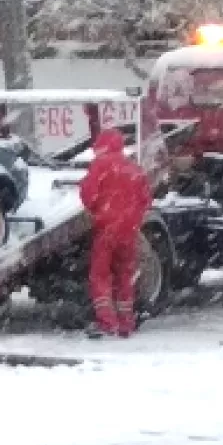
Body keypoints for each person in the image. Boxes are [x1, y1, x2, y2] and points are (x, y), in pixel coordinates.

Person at [78, 128, 154, 338]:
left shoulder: (100, 165)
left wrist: (98, 211)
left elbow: (88, 195)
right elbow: (146, 200)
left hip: (106, 229)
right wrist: (132, 219)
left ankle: (107, 322)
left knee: (100, 275)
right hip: (129, 231)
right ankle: (126, 322)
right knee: (124, 275)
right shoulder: (133, 168)